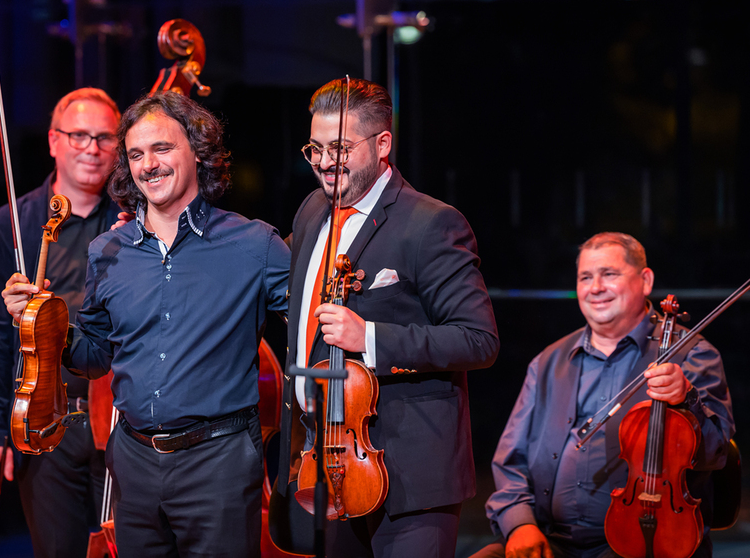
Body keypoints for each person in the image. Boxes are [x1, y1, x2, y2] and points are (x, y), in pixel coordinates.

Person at [2, 91, 290, 558]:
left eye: (162, 148)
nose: (148, 165)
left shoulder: (254, 245)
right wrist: (39, 322)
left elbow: (312, 325)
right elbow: (94, 357)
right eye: (136, 154)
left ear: (197, 150)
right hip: (133, 466)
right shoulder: (108, 252)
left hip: (217, 465)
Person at [269, 78, 500, 558]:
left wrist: (369, 336)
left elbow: (478, 340)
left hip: (410, 479)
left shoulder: (432, 223)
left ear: (382, 144)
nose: (326, 162)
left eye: (340, 148)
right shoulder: (313, 211)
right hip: (327, 468)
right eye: (316, 149)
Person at [474, 232, 735, 558]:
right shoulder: (548, 362)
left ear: (645, 280)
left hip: (643, 541)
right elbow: (511, 460)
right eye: (586, 277)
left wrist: (687, 400)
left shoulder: (692, 355)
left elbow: (717, 453)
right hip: (548, 539)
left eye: (609, 274)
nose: (595, 287)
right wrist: (519, 525)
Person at [0, 87, 122, 558]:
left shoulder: (134, 222)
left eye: (104, 138)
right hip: (44, 418)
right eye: (79, 136)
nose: (92, 149)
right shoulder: (10, 224)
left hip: (120, 421)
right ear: (54, 141)